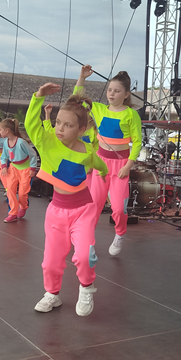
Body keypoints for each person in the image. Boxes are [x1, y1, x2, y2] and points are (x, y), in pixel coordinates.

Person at [26, 82, 108, 317]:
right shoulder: (47, 142)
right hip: (57, 212)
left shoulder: (87, 151)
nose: (60, 128)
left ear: (81, 129)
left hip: (83, 209)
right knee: (50, 261)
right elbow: (31, 125)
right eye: (58, 122)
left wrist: (103, 173)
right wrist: (38, 96)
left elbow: (99, 164)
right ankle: (52, 294)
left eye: (68, 125)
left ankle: (86, 287)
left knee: (84, 255)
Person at [73, 66, 143, 256]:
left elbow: (137, 142)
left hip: (120, 166)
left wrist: (128, 166)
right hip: (100, 164)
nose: (112, 94)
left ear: (126, 94)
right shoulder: (99, 109)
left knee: (119, 209)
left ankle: (120, 233)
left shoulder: (131, 114)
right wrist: (82, 77)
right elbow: (77, 99)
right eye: (110, 90)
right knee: (93, 206)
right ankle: (87, 241)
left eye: (117, 91)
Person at [0, 118, 37, 223]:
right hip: (13, 168)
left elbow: (33, 154)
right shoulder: (6, 143)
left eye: (1, 130)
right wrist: (4, 166)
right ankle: (12, 213)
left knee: (22, 194)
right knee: (10, 190)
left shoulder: (21, 142)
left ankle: (23, 206)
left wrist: (32, 168)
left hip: (25, 170)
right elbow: (4, 156)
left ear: (7, 131)